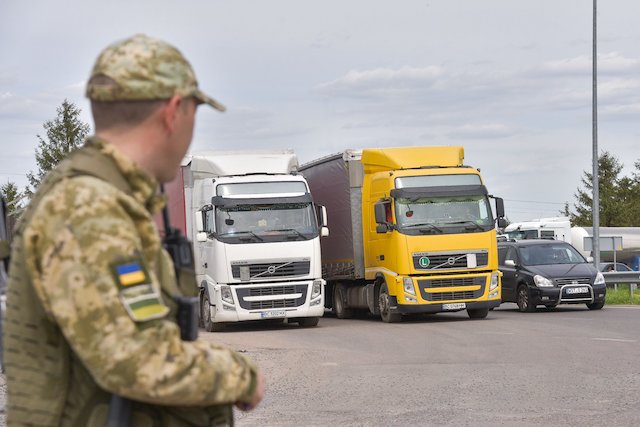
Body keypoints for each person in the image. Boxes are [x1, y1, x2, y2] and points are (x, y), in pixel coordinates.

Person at [3, 34, 264, 426]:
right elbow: (136, 359)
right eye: (195, 113)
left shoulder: (104, 199)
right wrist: (241, 376)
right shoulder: (88, 207)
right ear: (174, 111)